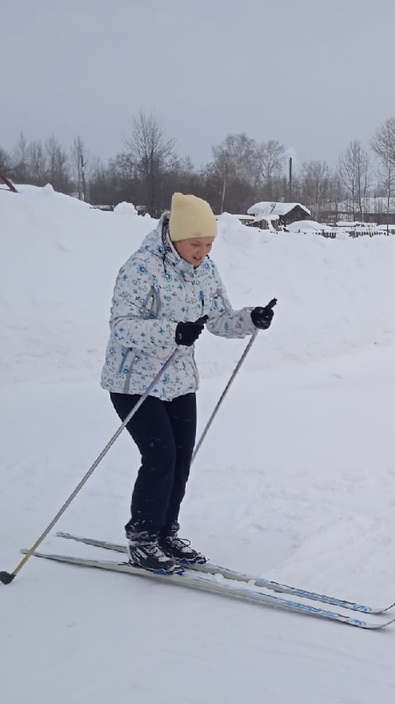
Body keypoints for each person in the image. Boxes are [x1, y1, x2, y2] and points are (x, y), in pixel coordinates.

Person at [100, 192, 275, 572]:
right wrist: (172, 332)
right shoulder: (141, 268)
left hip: (178, 380)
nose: (203, 251)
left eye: (209, 244)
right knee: (160, 457)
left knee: (180, 461)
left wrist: (250, 319)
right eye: (196, 243)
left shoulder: (205, 271)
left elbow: (219, 319)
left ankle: (165, 531)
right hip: (133, 382)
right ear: (175, 236)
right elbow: (122, 326)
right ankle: (143, 537)